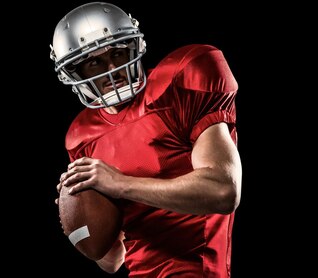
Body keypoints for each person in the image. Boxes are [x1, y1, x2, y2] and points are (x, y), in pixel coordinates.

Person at [50, 2, 242, 277]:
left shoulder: (180, 81)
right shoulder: (82, 135)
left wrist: (120, 184)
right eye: (94, 62)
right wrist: (78, 218)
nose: (112, 68)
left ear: (134, 46)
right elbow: (112, 260)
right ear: (74, 74)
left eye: (118, 52)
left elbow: (224, 191)